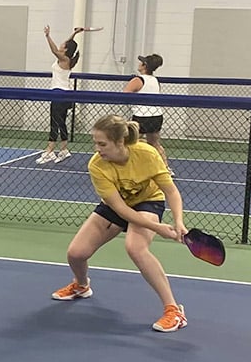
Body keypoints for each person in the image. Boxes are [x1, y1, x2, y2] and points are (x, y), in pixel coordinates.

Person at [50, 114, 188, 332]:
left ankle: (174, 311)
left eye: (102, 144)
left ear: (120, 142)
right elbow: (121, 209)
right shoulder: (97, 165)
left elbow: (170, 190)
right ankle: (82, 285)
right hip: (118, 204)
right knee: (76, 253)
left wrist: (178, 221)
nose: (97, 149)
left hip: (148, 201)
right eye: (95, 143)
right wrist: (159, 228)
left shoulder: (146, 153)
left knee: (136, 248)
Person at [37, 26, 83, 165]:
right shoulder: (67, 58)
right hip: (63, 95)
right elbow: (68, 44)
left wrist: (47, 36)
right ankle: (63, 149)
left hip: (59, 94)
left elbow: (54, 50)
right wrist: (74, 33)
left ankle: (50, 151)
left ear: (66, 49)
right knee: (61, 122)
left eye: (64, 44)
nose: (61, 44)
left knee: (55, 122)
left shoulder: (64, 59)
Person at [123, 54, 174, 176]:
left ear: (144, 65)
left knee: (130, 142)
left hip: (141, 116)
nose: (139, 64)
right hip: (156, 115)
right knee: (154, 143)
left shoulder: (138, 80)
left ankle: (129, 166)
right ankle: (166, 168)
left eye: (141, 63)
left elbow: (125, 95)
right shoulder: (154, 80)